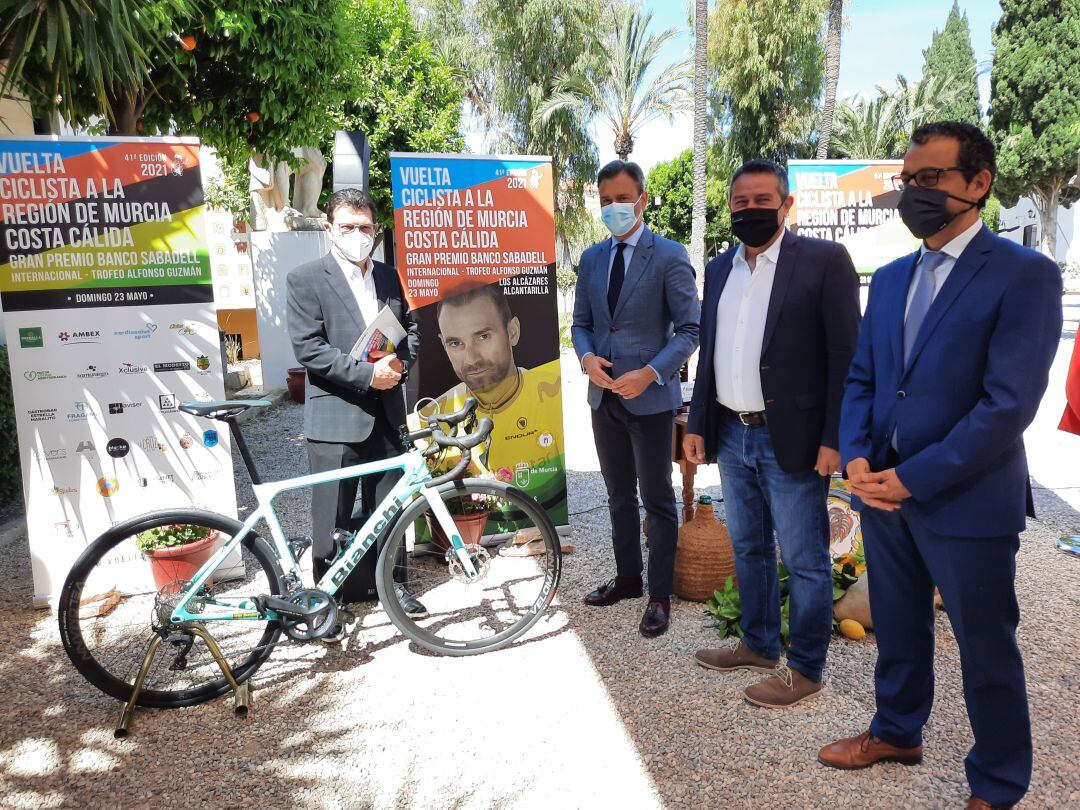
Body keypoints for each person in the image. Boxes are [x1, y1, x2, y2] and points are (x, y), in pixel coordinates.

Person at [818, 122, 1062, 810]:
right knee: (896, 627)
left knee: (986, 649)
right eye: (908, 180)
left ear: (978, 184)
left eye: (931, 179)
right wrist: (860, 459)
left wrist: (914, 476)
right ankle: (897, 731)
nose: (914, 192)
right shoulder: (892, 278)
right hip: (883, 494)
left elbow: (1005, 405)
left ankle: (999, 780)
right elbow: (864, 378)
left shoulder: (1026, 276)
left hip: (966, 500)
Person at [684, 159, 861, 707]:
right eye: (741, 203)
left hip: (795, 438)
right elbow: (711, 351)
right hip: (733, 436)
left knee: (805, 559)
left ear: (786, 206)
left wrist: (835, 438)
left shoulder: (824, 262)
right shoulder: (718, 269)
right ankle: (760, 645)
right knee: (750, 546)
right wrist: (698, 424)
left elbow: (844, 356)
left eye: (763, 201)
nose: (751, 211)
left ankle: (805, 668)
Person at [286, 187, 425, 633]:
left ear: (376, 231)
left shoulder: (389, 277)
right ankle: (326, 601)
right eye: (347, 227)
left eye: (364, 227)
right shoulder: (305, 279)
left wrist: (400, 366)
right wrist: (368, 376)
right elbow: (310, 349)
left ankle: (394, 586)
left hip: (386, 412)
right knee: (333, 516)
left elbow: (411, 331)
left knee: (390, 507)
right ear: (329, 230)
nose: (357, 235)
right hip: (335, 420)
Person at [572, 159, 700, 637]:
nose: (613, 208)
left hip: (650, 402)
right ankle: (628, 577)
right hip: (603, 401)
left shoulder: (668, 255)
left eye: (622, 199)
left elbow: (690, 329)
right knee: (617, 496)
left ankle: (659, 594)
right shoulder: (590, 259)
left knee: (658, 499)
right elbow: (581, 324)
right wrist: (586, 359)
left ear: (641, 200)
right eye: (605, 201)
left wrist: (650, 373)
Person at [412, 283, 567, 536]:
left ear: (512, 331)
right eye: (455, 343)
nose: (471, 358)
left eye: (483, 336)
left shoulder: (551, 391)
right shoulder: (430, 415)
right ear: (442, 344)